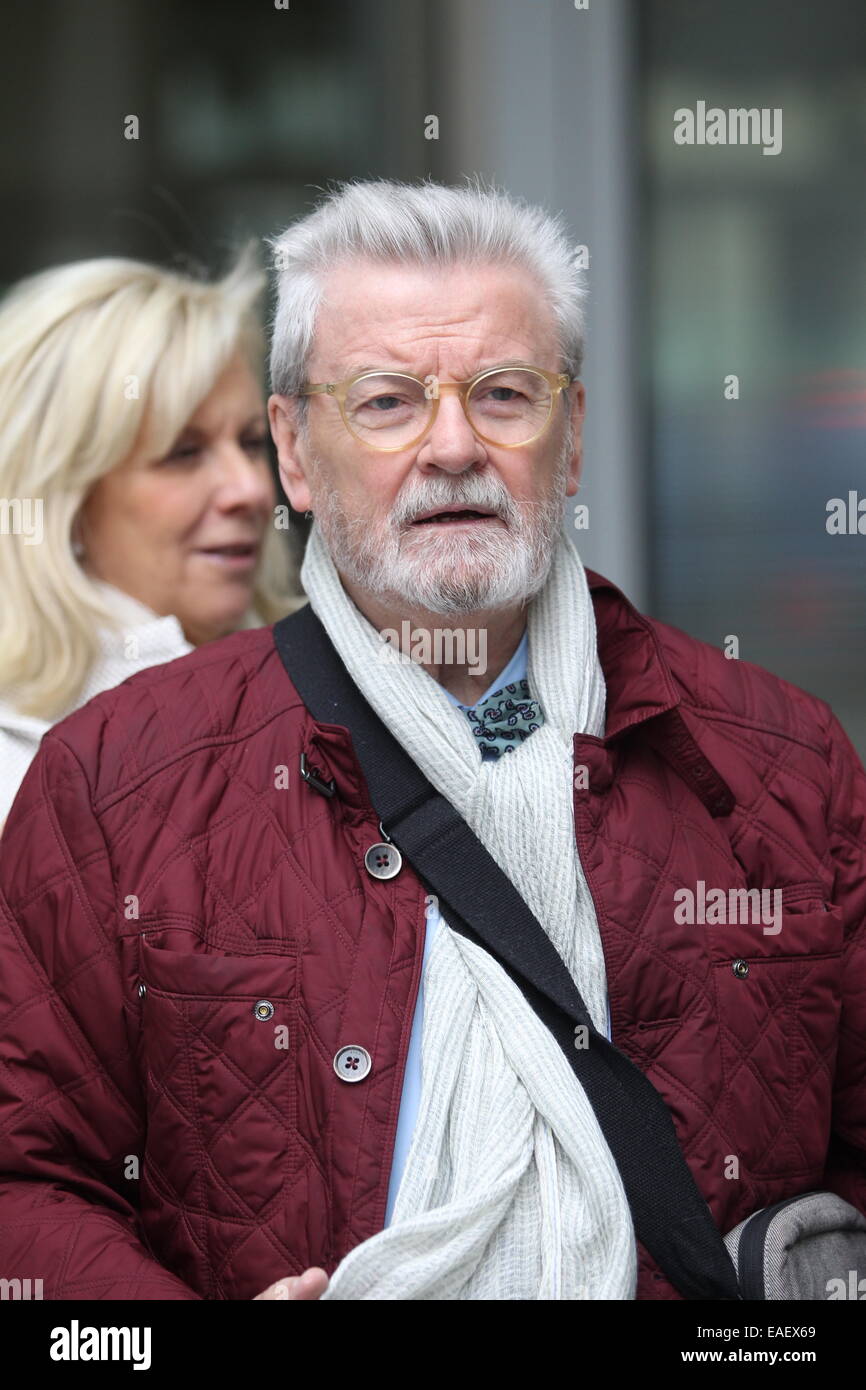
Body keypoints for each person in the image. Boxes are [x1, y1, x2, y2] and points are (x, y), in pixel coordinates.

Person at [0, 178, 863, 1301]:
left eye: (504, 395)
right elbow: (25, 1184)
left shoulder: (782, 767)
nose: (452, 446)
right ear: (295, 454)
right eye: (386, 401)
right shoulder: (118, 782)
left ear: (571, 438)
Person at [0, 250, 301, 825]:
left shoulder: (324, 693)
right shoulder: (19, 769)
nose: (251, 490)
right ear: (66, 496)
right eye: (183, 454)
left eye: (249, 442)